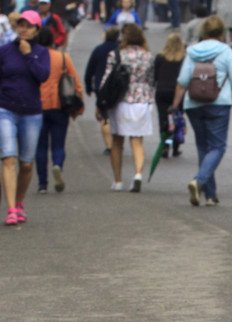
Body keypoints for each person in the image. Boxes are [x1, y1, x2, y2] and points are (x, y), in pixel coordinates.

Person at [0, 9, 50, 225]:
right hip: (5, 109)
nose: (24, 29)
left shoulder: (41, 52)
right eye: (21, 25)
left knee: (27, 164)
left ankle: (19, 202)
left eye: (29, 26)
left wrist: (28, 54)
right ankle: (11, 209)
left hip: (31, 113)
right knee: (8, 158)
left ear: (37, 29)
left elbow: (43, 76)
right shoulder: (3, 52)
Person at [170, 15, 232, 206]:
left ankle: (210, 195)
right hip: (219, 103)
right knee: (218, 147)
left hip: (193, 104)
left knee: (203, 147)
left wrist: (175, 105)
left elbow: (182, 81)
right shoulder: (226, 51)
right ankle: (199, 180)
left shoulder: (192, 51)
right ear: (221, 33)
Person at [100, 23, 153, 192]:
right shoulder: (148, 56)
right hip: (142, 100)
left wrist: (101, 102)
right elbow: (151, 80)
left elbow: (106, 80)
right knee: (137, 141)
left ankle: (117, 180)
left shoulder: (116, 55)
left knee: (117, 141)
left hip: (121, 101)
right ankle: (137, 174)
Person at [34, 27, 83, 194]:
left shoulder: (33, 59)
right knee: (58, 143)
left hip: (37, 106)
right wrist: (79, 105)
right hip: (59, 105)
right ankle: (57, 164)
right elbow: (75, 82)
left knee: (40, 147)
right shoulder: (62, 57)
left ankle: (42, 184)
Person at [84, 26, 119, 155]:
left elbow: (90, 69)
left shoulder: (98, 50)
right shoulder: (121, 50)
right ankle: (117, 142)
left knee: (105, 117)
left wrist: (88, 86)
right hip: (117, 87)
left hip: (101, 87)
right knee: (116, 114)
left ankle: (109, 146)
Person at [153, 32, 184, 158]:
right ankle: (176, 146)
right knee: (177, 118)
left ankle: (165, 146)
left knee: (163, 119)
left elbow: (155, 76)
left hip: (162, 91)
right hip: (177, 92)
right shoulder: (183, 58)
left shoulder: (160, 57)